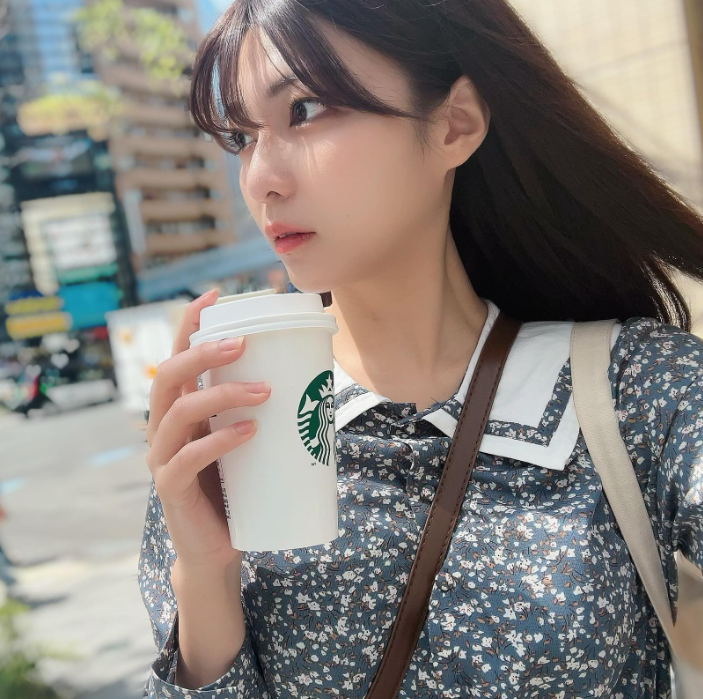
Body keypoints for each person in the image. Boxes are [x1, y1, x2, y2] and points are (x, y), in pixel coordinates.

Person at [138, 1, 703, 697]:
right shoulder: (230, 427)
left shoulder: (634, 388)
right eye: (241, 137)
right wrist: (204, 571)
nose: (260, 180)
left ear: (454, 123)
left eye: (305, 110)